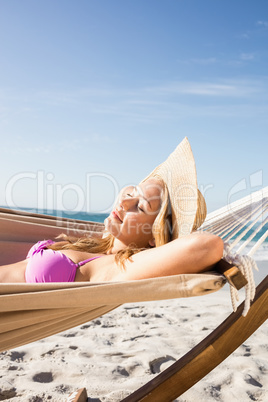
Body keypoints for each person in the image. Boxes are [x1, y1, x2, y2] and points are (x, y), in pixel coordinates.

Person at [0, 137, 223, 283]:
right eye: (133, 191)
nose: (125, 202)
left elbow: (207, 246)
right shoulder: (96, 243)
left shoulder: (119, 268)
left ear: (156, 236)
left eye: (141, 206)